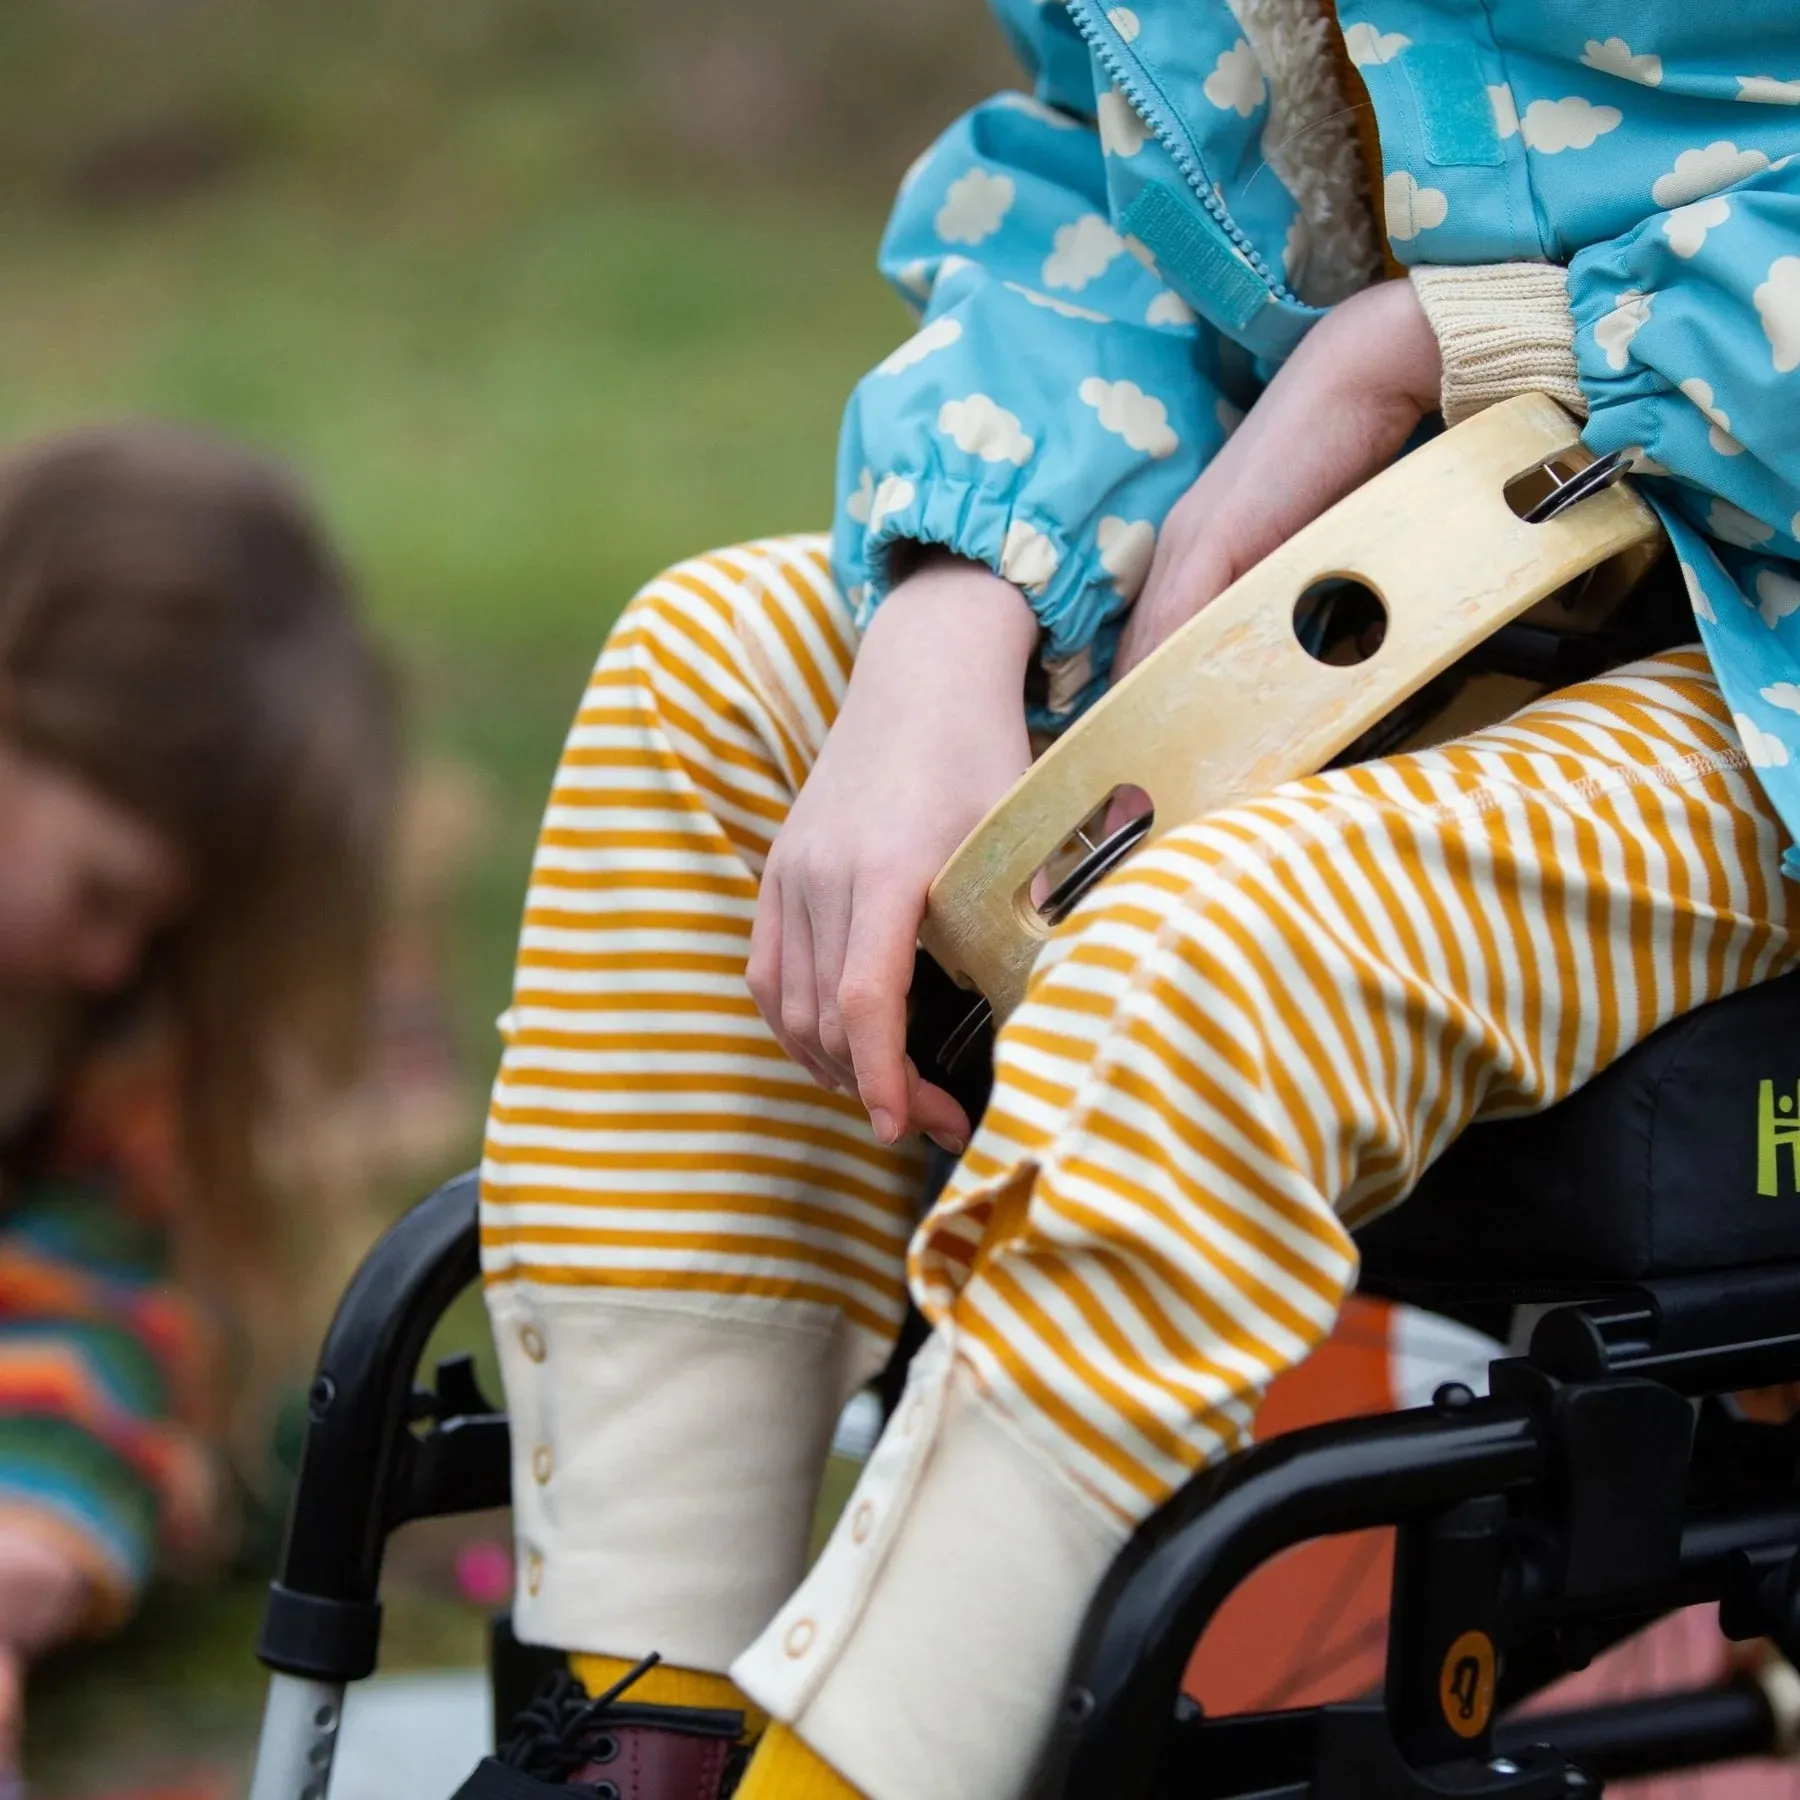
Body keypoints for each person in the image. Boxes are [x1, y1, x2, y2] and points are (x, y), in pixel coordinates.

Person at [468, 5, 1800, 1798]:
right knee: (710, 683)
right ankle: (639, 1728)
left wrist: (1454, 346)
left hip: (1751, 643)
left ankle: (864, 1769)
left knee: (1215, 955)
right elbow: (1101, 179)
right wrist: (957, 606)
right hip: (1360, 558)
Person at [0, 425, 395, 1767]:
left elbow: (111, 1263)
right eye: (103, 891)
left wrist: (34, 1525)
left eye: (151, 929)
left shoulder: (95, 1022)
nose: (112, 958)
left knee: (273, 1412)